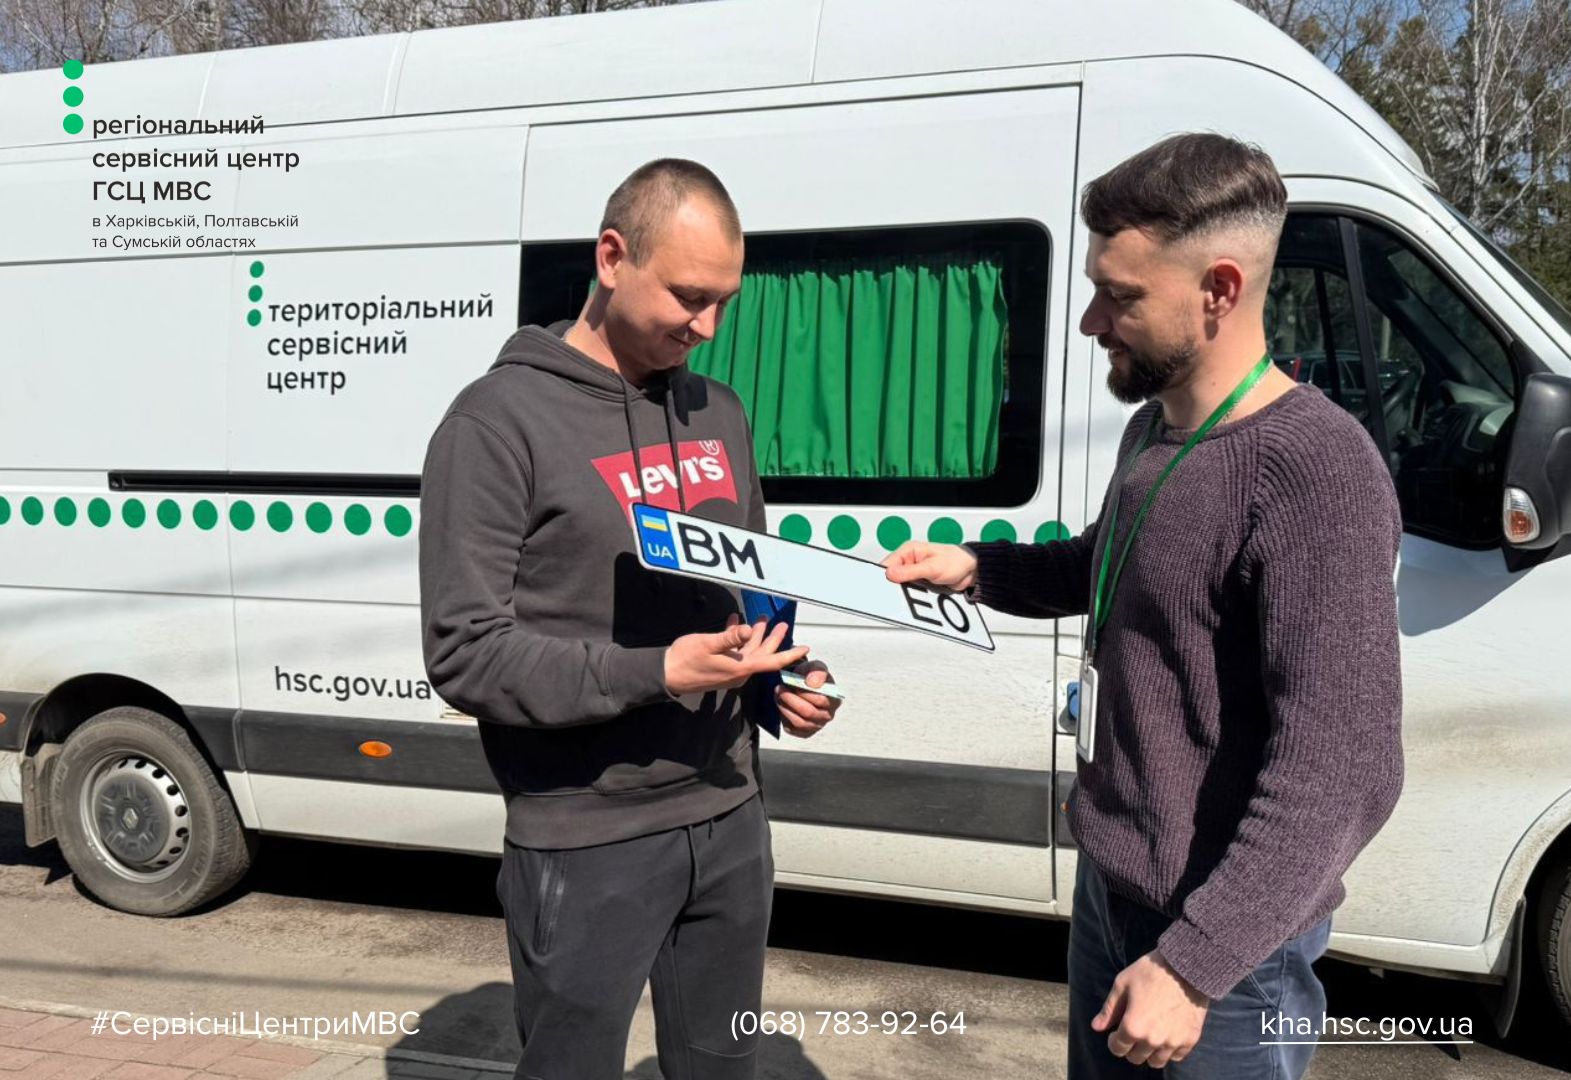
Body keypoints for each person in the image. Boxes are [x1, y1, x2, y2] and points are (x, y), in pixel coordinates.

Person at [883, 133, 1404, 1077]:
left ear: (1218, 290)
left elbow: (1343, 769)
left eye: (1119, 296)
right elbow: (1107, 565)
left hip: (1224, 961)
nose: (1091, 321)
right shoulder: (1152, 433)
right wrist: (977, 569)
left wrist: (1196, 965)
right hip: (1112, 897)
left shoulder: (1316, 472)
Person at [417, 158, 842, 1080]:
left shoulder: (718, 411)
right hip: (583, 837)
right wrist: (656, 671)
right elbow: (464, 653)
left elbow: (748, 593)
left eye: (724, 301)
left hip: (730, 814)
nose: (708, 327)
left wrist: (781, 682)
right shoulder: (495, 422)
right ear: (612, 258)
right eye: (689, 297)